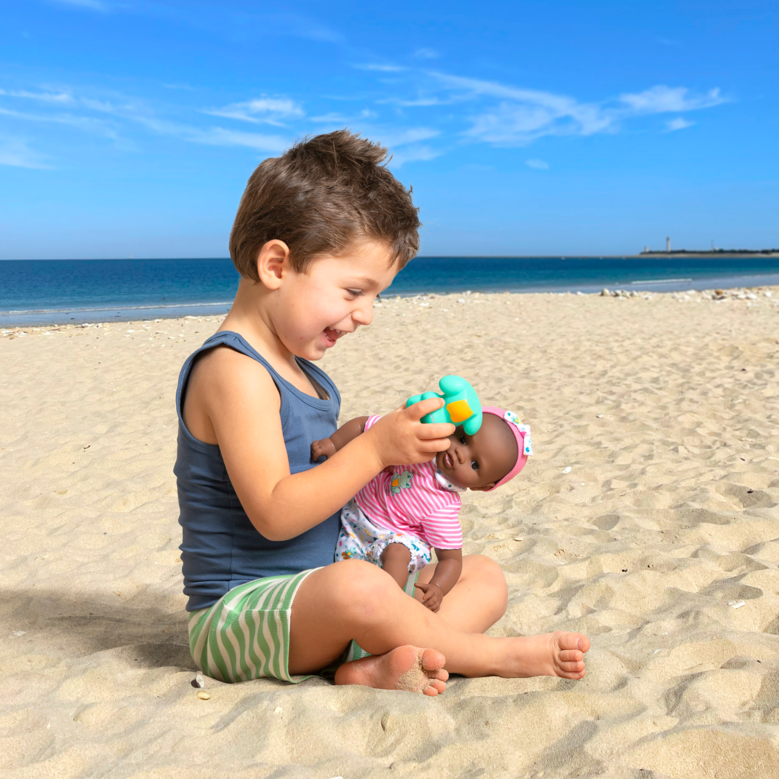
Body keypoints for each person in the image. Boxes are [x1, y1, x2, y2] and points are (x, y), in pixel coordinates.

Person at [175, 130, 589, 696]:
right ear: (276, 264)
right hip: (240, 616)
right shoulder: (233, 370)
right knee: (358, 589)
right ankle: (489, 656)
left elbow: (343, 496)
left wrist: (404, 462)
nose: (366, 314)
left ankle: (364, 668)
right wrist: (374, 450)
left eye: (376, 296)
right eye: (352, 291)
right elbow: (274, 512)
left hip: (327, 593)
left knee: (483, 576)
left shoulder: (304, 371)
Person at [311, 407, 533, 613]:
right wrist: (334, 443)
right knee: (337, 577)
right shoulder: (417, 446)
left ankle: (384, 606)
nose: (460, 454)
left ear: (481, 486)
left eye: (475, 465)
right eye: (463, 439)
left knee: (398, 553)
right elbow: (365, 426)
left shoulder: (442, 507)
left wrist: (438, 587)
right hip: (356, 513)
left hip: (395, 536)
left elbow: (452, 560)